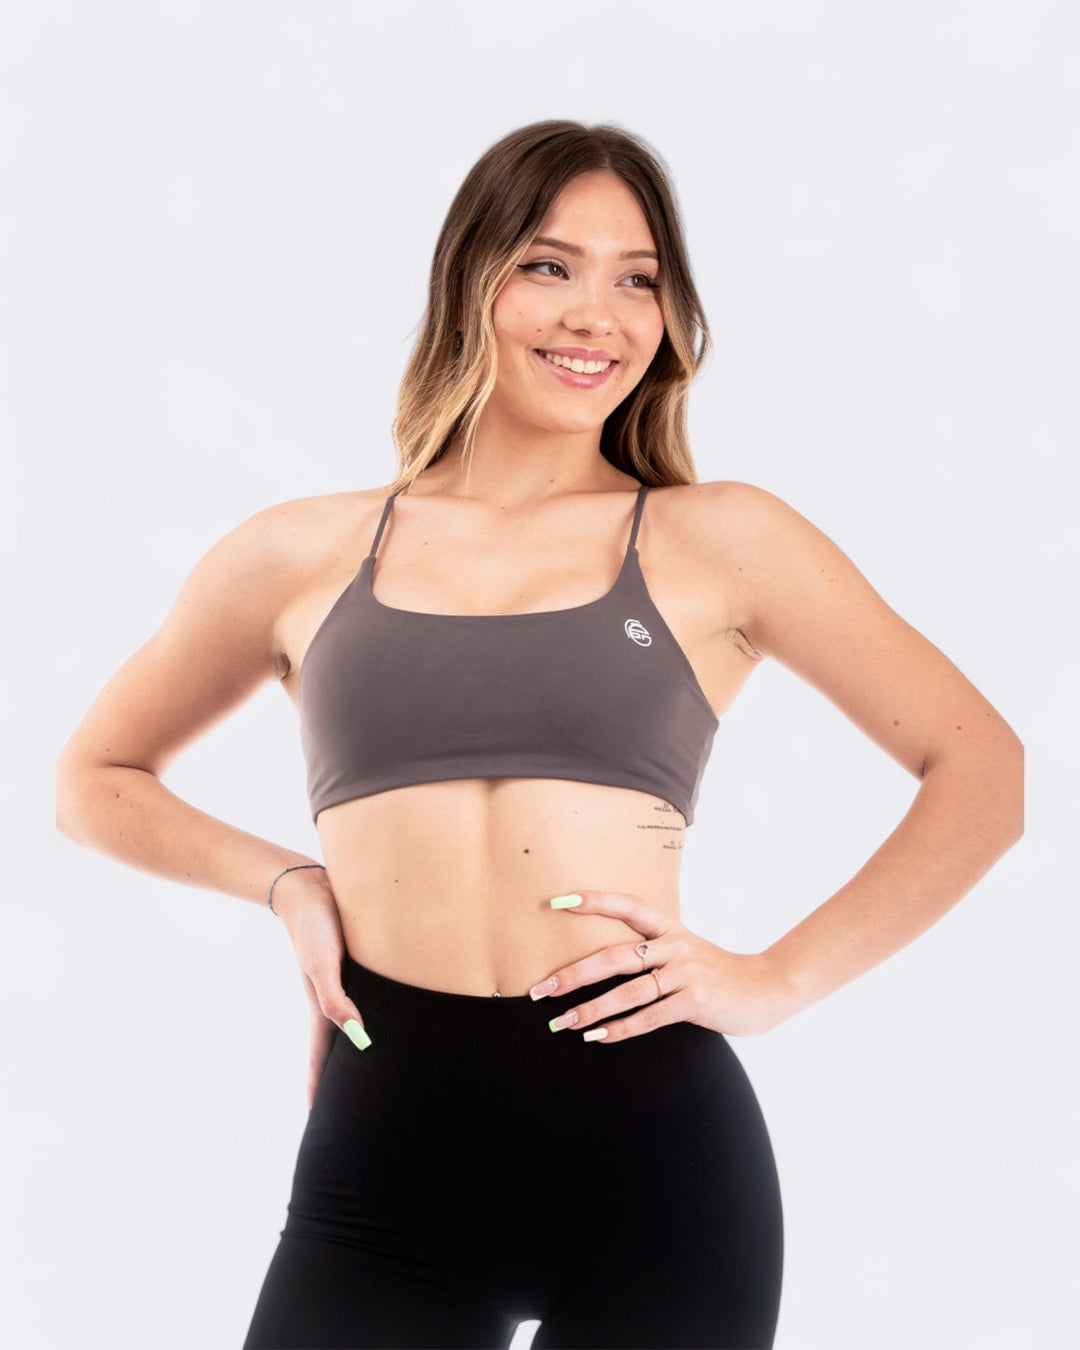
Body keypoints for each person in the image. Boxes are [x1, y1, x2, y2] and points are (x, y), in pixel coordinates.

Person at [55, 119, 1024, 1350]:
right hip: (383, 1175)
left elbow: (986, 768)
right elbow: (94, 778)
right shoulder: (297, 551)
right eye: (550, 266)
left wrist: (777, 980)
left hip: (658, 1175)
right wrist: (290, 882)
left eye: (639, 281)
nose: (596, 316)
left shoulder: (721, 539)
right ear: (472, 278)